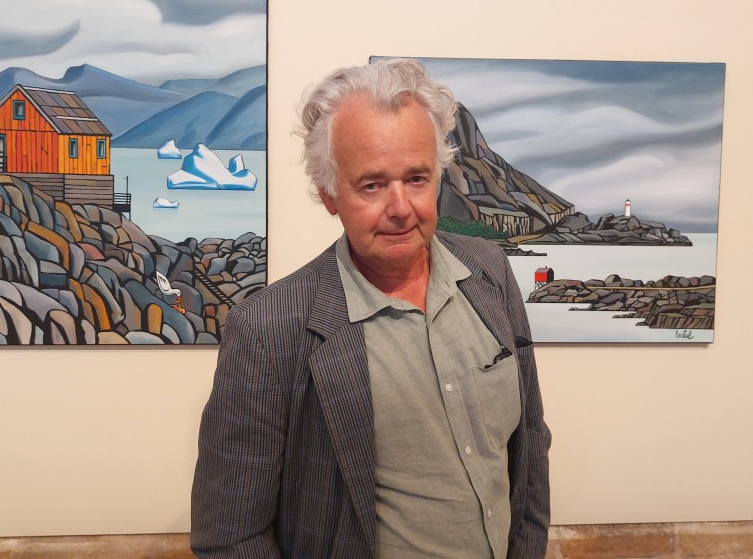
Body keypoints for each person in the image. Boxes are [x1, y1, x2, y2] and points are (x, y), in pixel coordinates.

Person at [191, 58, 551, 558]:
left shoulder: (490, 272)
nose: (400, 207)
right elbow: (230, 537)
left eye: (417, 178)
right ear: (329, 194)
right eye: (372, 185)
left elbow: (530, 443)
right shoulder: (269, 328)